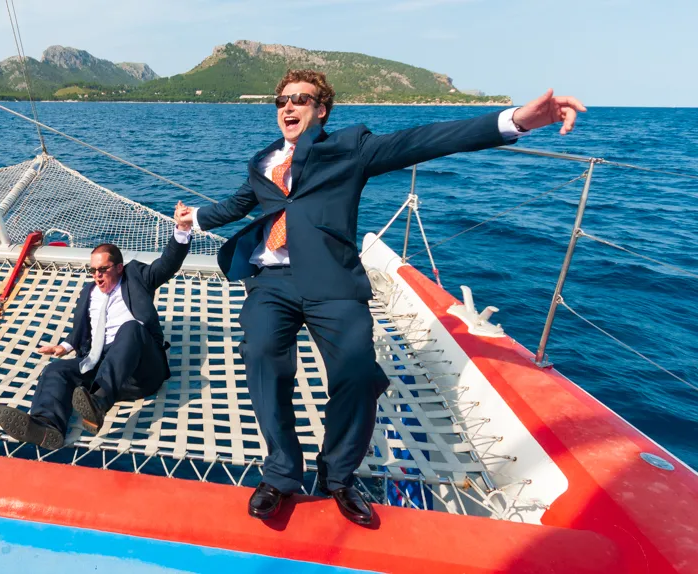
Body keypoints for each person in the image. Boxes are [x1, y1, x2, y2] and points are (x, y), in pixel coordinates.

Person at [175, 69, 585, 525]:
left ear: (321, 110)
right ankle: (281, 474)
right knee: (262, 353)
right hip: (273, 279)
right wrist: (192, 219)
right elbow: (238, 204)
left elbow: (425, 139)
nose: (288, 107)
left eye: (300, 100)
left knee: (359, 374)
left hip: (333, 281)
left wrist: (515, 121)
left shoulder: (350, 146)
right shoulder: (262, 161)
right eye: (281, 101)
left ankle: (338, 476)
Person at [0, 211, 193, 449]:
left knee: (131, 328)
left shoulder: (137, 277)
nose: (97, 275)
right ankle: (47, 425)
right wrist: (65, 346)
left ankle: (98, 402)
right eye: (93, 271)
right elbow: (83, 327)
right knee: (55, 371)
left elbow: (167, 264)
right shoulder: (89, 292)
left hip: (140, 371)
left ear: (119, 267)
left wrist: (181, 229)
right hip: (100, 364)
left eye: (103, 269)